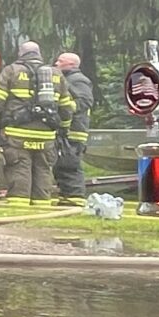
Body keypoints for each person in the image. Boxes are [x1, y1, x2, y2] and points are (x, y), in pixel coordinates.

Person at [0, 40, 72, 207]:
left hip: (17, 133)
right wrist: (64, 127)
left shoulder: (11, 71)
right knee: (43, 169)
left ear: (21, 53)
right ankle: (42, 205)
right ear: (39, 54)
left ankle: (19, 205)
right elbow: (66, 106)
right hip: (46, 134)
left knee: (19, 168)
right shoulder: (56, 74)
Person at [53, 50, 93, 203]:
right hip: (67, 130)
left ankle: (75, 197)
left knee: (70, 165)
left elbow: (85, 101)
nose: (56, 63)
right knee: (61, 165)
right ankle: (66, 196)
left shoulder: (78, 80)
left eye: (60, 61)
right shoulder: (66, 79)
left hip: (74, 131)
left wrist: (64, 108)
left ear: (71, 64)